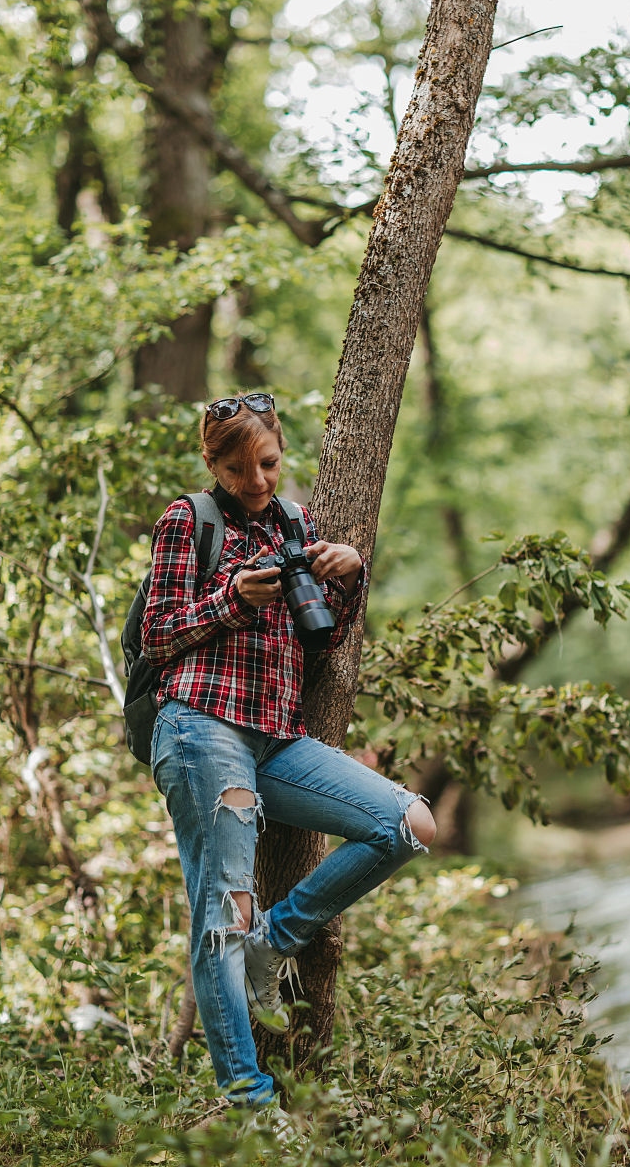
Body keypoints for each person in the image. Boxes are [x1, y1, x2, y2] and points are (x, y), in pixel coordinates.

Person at [142, 392, 435, 1117]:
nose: (258, 481)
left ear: (281, 448)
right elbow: (157, 636)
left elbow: (321, 644)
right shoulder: (189, 521)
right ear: (212, 465)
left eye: (268, 463)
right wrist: (233, 599)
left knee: (407, 825)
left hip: (276, 738)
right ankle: (249, 1103)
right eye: (238, 469)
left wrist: (347, 575)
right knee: (222, 914)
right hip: (201, 729)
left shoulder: (298, 523)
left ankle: (273, 945)